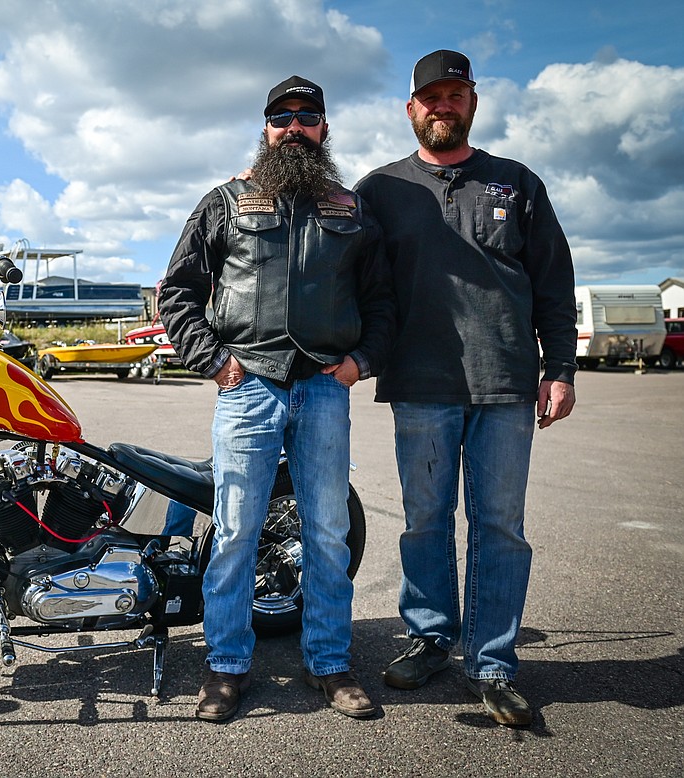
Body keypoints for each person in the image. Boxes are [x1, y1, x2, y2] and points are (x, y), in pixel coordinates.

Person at [159, 74, 394, 722]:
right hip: (249, 388)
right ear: (266, 130)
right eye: (281, 117)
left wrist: (358, 364)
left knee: (326, 531)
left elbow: (383, 303)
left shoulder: (351, 210)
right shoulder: (226, 202)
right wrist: (214, 361)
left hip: (323, 389)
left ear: (323, 130)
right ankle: (226, 668)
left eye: (307, 116)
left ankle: (329, 663)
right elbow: (176, 291)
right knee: (235, 532)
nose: (294, 126)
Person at [354, 49, 578, 728]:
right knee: (426, 522)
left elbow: (555, 285)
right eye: (431, 97)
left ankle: (493, 664)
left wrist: (560, 369)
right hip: (419, 385)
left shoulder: (516, 184)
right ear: (411, 108)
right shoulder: (379, 191)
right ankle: (429, 637)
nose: (443, 106)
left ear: (472, 103)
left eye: (455, 95)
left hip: (506, 384)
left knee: (500, 529)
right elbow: (353, 284)